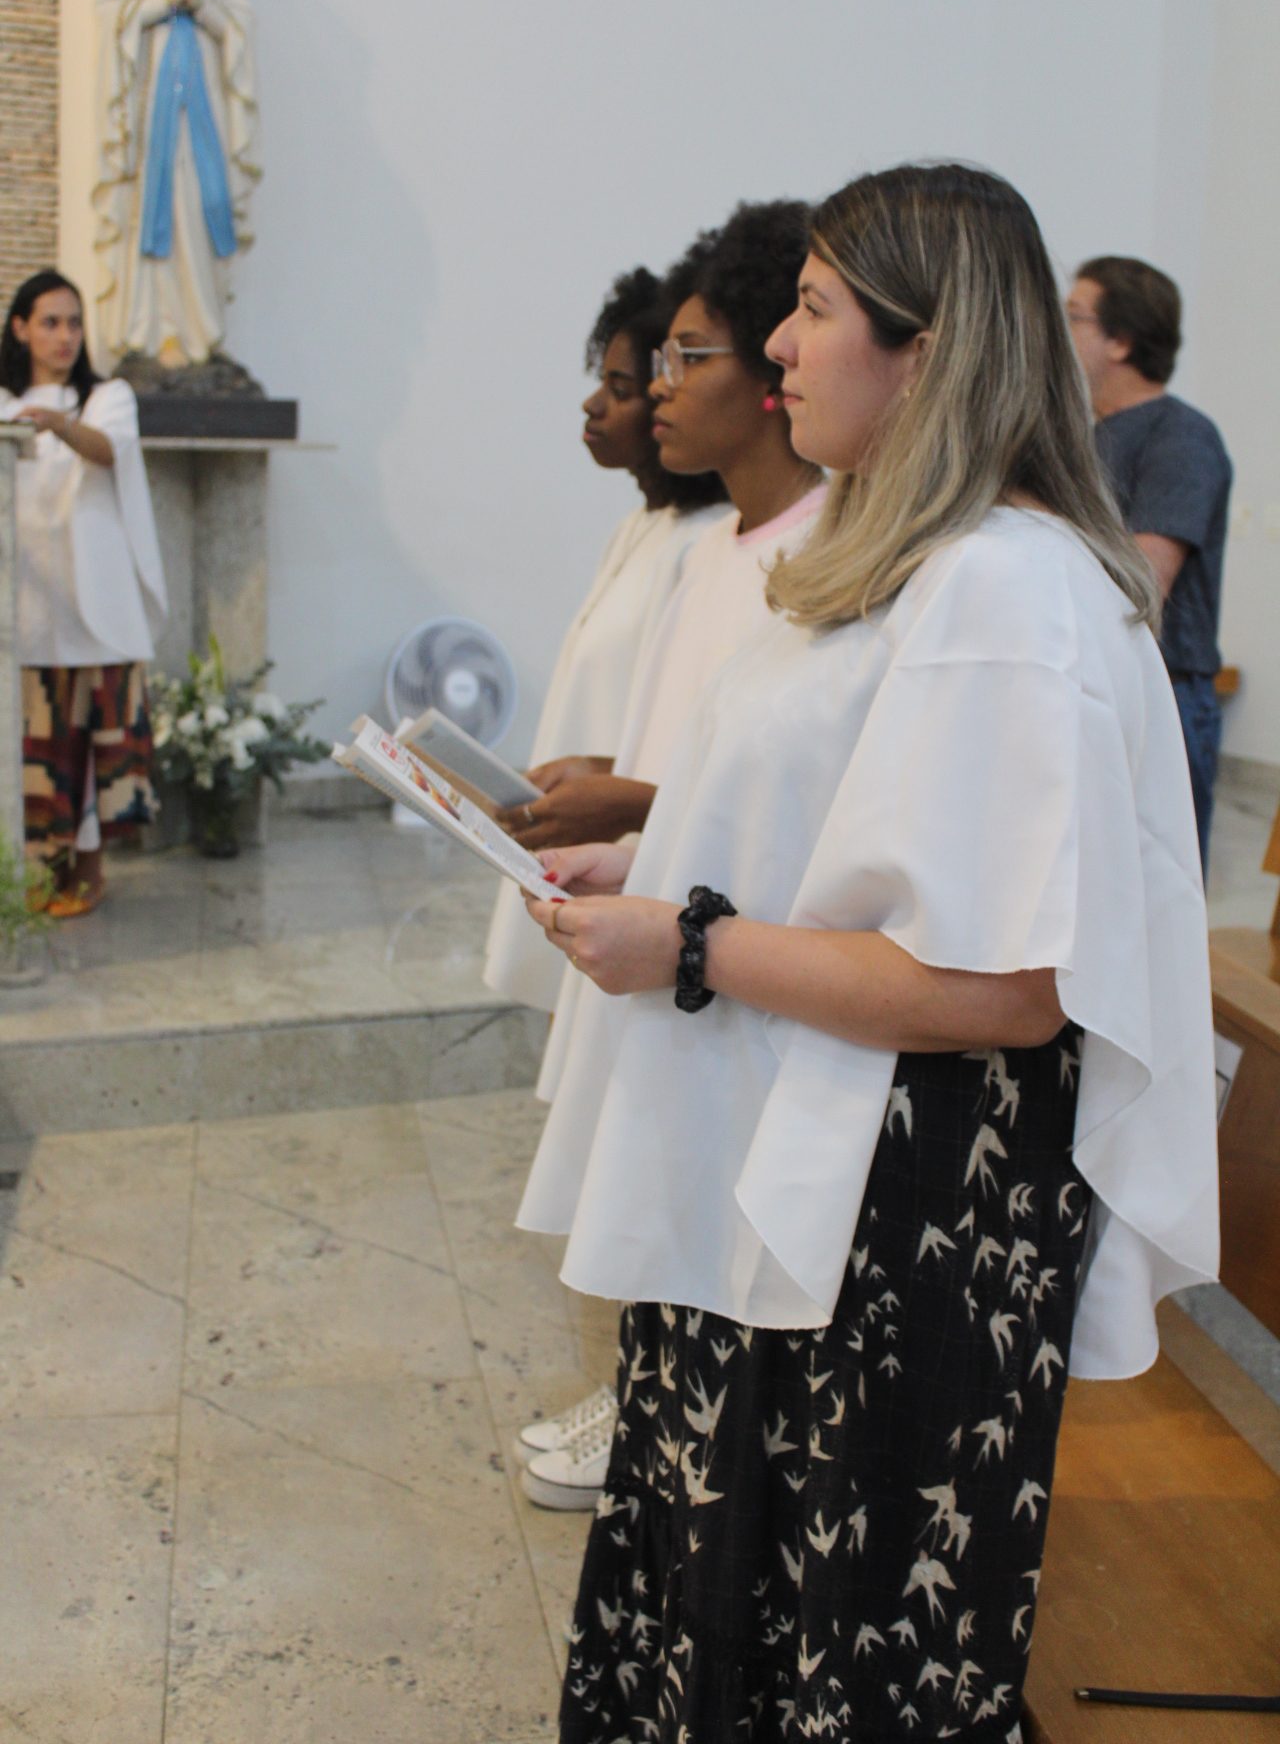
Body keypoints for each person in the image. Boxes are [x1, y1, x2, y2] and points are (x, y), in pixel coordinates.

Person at [520, 165, 1218, 1741]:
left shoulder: (1008, 589)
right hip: (805, 1159)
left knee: (838, 1633)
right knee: (726, 1588)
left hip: (902, 1208)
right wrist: (659, 864)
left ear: (927, 352)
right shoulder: (913, 553)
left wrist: (690, 942)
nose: (778, 343)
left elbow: (1005, 986)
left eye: (816, 309)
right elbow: (858, 844)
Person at [510, 202, 826, 1512]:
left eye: (688, 359)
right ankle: (646, 1405)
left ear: (768, 379)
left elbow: (783, 800)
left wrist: (632, 809)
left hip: (733, 952)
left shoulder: (826, 552)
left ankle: (672, 1429)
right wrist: (608, 804)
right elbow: (686, 749)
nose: (656, 391)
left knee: (709, 1208)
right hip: (658, 916)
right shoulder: (708, 545)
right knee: (639, 1184)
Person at [484, 266, 726, 1013]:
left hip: (632, 848)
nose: (596, 405)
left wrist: (613, 789)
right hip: (589, 829)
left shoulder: (709, 541)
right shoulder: (643, 528)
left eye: (622, 388)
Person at [0, 271, 168, 914]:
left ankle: (90, 872)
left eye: (74, 323)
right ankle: (39, 877)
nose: (65, 335)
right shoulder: (4, 401)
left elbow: (107, 450)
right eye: (50, 322)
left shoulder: (105, 397)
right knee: (38, 751)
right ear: (20, 328)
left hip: (93, 606)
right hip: (30, 601)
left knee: (92, 753)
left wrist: (56, 424)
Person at [1066, 256, 1232, 870]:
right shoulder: (1080, 437)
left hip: (1159, 698)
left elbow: (1142, 583)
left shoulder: (1181, 437)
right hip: (1092, 690)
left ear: (1121, 340)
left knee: (1154, 889)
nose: (1059, 330)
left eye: (1074, 316)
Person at [94, 0, 259, 367]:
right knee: (158, 198)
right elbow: (109, 14)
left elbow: (238, 25)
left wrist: (201, 8)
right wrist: (161, 4)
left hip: (204, 103)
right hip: (152, 105)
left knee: (202, 202)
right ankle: (157, 331)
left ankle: (202, 332)